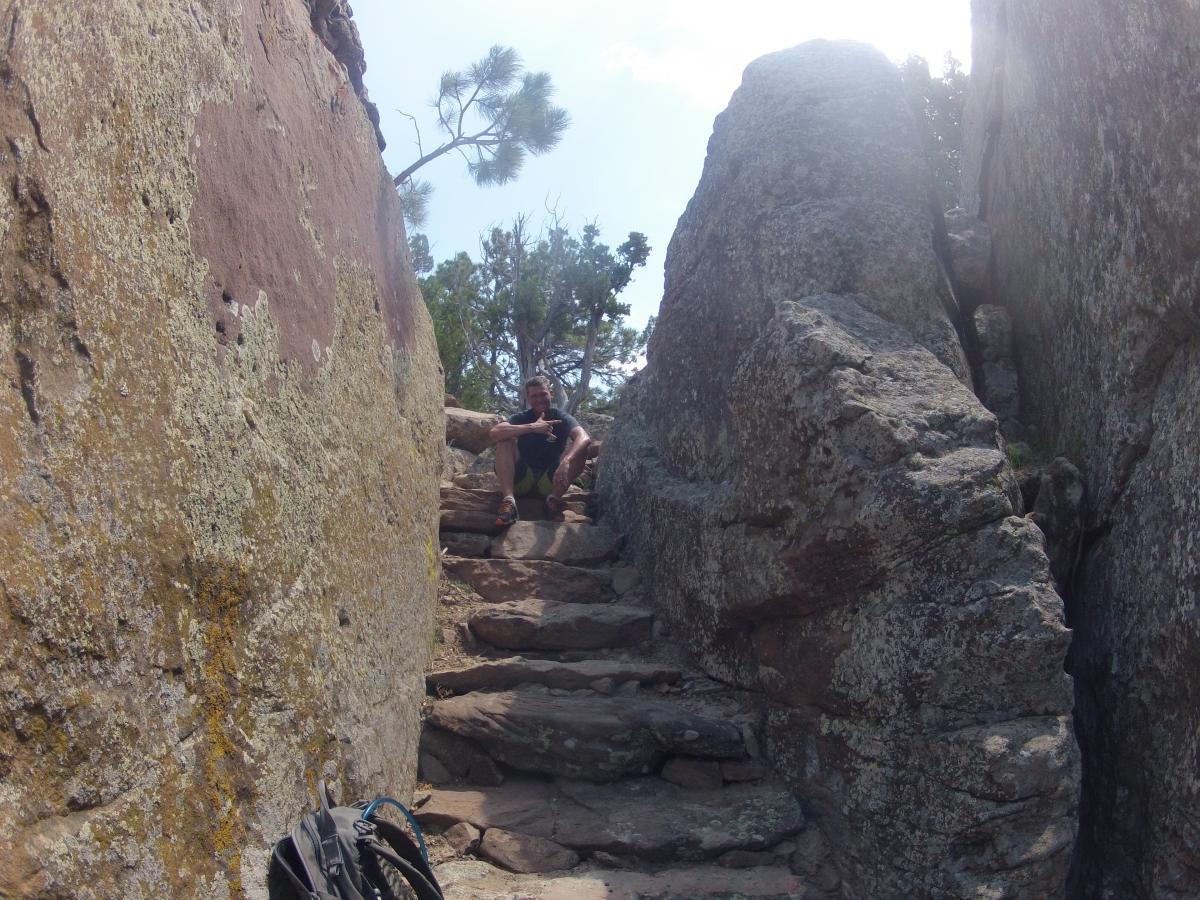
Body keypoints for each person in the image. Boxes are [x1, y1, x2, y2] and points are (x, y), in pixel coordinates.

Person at [489, 375, 591, 526]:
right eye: (534, 396)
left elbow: (584, 437)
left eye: (543, 394)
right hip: (522, 479)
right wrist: (532, 427)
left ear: (551, 394)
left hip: (550, 482)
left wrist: (566, 461)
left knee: (581, 448)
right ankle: (509, 503)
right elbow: (494, 433)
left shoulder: (560, 417)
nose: (539, 399)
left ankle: (553, 501)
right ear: (528, 398)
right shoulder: (522, 417)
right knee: (504, 440)